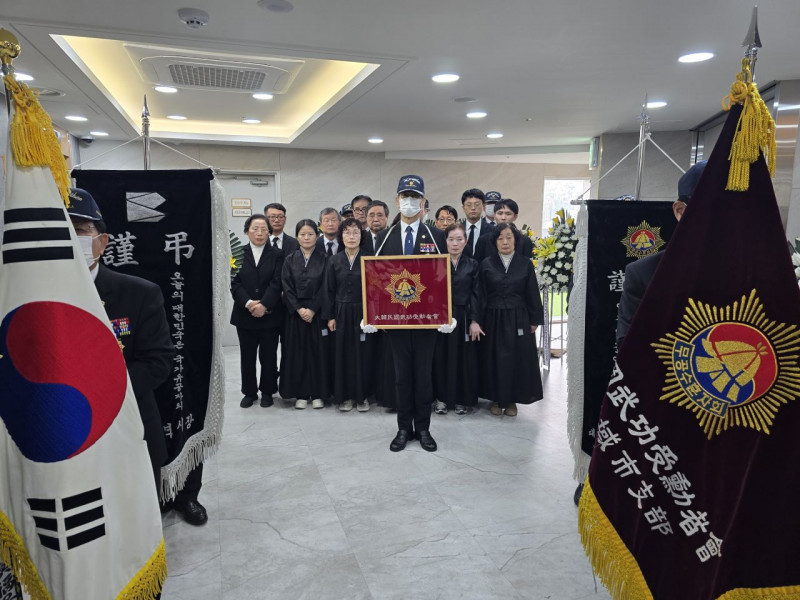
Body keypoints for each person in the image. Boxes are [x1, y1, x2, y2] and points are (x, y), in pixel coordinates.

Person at [65, 189, 213, 529]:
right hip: (63, 433)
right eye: (64, 230)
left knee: (133, 521)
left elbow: (158, 361)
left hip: (127, 424)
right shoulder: (37, 300)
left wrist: (93, 389)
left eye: (81, 230)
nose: (72, 238)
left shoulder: (138, 293)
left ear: (102, 242)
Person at [375, 175, 446, 452]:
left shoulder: (436, 236)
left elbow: (442, 278)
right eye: (405, 196)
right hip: (397, 320)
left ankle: (424, 428)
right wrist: (373, 313)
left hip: (427, 321)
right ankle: (404, 428)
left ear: (423, 202)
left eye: (415, 197)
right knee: (402, 376)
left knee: (424, 376)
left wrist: (445, 313)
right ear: (397, 200)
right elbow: (376, 279)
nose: (409, 202)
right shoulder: (384, 237)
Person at [616, 161, 707, 347]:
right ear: (680, 211)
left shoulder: (760, 273)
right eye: (711, 207)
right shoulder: (646, 274)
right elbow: (630, 349)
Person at [479, 223, 544, 416]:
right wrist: (477, 320)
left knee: (518, 358)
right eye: (500, 238)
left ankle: (512, 400)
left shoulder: (525, 264)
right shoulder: (486, 264)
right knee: (494, 358)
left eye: (509, 237)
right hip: (493, 318)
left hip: (519, 318)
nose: (505, 242)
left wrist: (534, 320)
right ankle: (496, 399)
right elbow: (481, 294)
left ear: (516, 240)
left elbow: (532, 292)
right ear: (494, 242)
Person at [230, 214, 284, 408]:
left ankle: (267, 391)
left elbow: (277, 282)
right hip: (244, 315)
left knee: (269, 356)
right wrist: (248, 303)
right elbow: (234, 282)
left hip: (270, 315)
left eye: (263, 229)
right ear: (247, 231)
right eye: (255, 229)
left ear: (269, 232)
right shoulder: (237, 253)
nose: (259, 233)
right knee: (247, 356)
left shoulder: (277, 254)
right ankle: (249, 392)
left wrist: (264, 305)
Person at [322, 218, 376, 412]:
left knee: (364, 354)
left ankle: (362, 397)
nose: (351, 237)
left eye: (355, 233)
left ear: (361, 236)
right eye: (347, 233)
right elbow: (328, 290)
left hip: (364, 313)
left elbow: (376, 290)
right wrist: (330, 316)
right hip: (341, 312)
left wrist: (373, 316)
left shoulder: (369, 259)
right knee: (342, 354)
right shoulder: (333, 260)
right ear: (341, 236)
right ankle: (344, 396)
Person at [433, 223, 483, 415]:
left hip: (464, 317)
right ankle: (441, 399)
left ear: (465, 241)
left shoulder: (473, 264)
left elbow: (477, 294)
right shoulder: (436, 262)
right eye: (451, 239)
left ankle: (462, 400)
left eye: (459, 239)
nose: (455, 243)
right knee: (440, 358)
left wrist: (475, 320)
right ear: (445, 241)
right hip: (440, 318)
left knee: (463, 359)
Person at [279, 219, 329, 409]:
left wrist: (313, 309)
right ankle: (300, 393)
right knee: (297, 353)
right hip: (295, 314)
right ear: (297, 237)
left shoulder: (325, 259)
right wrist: (299, 309)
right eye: (302, 234)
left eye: (310, 234)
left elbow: (326, 286)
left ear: (317, 236)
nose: (306, 237)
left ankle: (318, 394)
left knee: (318, 354)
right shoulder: (289, 259)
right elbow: (286, 287)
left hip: (317, 314)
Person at [473, 199, 533, 263]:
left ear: (515, 216)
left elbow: (528, 266)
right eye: (500, 213)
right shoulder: (483, 240)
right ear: (494, 215)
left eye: (508, 214)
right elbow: (477, 265)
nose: (503, 217)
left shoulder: (524, 241)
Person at [461, 188, 491, 258]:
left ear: (483, 206)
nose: (473, 208)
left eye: (477, 204)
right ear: (463, 208)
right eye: (469, 205)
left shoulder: (491, 230)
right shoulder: (457, 230)